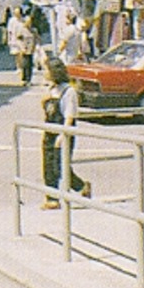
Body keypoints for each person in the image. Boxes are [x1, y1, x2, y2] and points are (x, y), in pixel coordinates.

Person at [41, 57, 89, 208]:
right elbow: (47, 109)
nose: (44, 73)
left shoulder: (69, 91)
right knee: (48, 165)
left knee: (60, 166)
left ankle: (81, 186)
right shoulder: (51, 89)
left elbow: (69, 115)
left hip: (62, 131)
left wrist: (63, 134)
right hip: (50, 130)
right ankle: (52, 199)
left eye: (46, 70)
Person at [8, 7, 38, 85]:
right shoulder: (21, 28)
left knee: (29, 64)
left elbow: (37, 39)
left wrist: (35, 47)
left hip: (30, 49)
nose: (28, 23)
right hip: (23, 48)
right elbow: (18, 37)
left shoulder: (33, 30)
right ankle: (24, 77)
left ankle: (28, 79)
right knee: (24, 63)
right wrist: (22, 47)